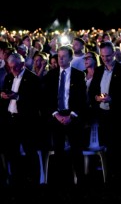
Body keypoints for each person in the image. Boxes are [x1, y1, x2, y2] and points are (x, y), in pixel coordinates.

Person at [88, 41, 121, 187]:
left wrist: (112, 99)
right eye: (102, 56)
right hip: (103, 115)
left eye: (108, 56)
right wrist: (96, 98)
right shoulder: (99, 70)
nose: (105, 59)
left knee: (120, 148)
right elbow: (92, 91)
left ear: (114, 54)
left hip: (118, 115)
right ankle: (111, 178)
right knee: (108, 147)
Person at [43, 45, 87, 186]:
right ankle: (62, 182)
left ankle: (80, 180)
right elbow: (48, 98)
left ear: (70, 58)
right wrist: (56, 115)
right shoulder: (51, 75)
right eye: (59, 56)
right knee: (59, 151)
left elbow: (81, 99)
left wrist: (72, 115)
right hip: (57, 117)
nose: (60, 59)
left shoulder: (79, 75)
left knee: (76, 151)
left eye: (63, 56)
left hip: (72, 116)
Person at [0, 53, 42, 186]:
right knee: (12, 151)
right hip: (11, 119)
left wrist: (18, 97)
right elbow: (6, 93)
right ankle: (17, 178)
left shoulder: (32, 79)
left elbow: (36, 101)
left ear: (22, 65)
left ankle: (34, 179)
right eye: (10, 67)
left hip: (26, 120)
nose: (13, 70)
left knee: (30, 150)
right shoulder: (8, 77)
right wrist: (3, 95)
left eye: (15, 67)